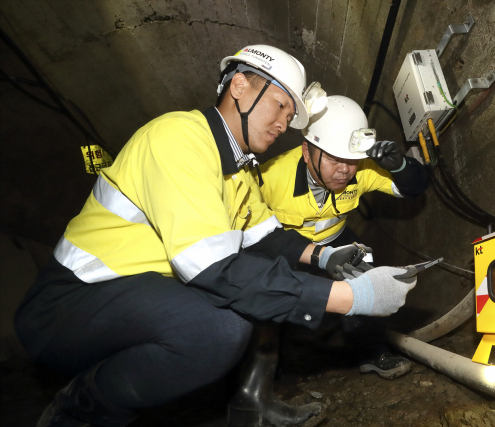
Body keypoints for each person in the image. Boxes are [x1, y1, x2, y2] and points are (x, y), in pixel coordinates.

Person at [14, 45, 418, 427]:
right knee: (219, 328)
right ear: (239, 86)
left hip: (133, 294)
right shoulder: (178, 139)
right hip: (68, 303)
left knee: (243, 299)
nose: (283, 123)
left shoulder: (238, 172)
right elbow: (217, 270)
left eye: (291, 115)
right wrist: (353, 298)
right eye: (280, 105)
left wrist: (324, 257)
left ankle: (248, 402)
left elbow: (265, 238)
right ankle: (79, 410)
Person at [259, 95, 430, 379]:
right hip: (288, 246)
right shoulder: (270, 178)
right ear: (306, 151)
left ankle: (371, 351)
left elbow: (415, 188)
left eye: (351, 159)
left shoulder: (362, 171)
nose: (344, 169)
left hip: (337, 238)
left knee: (365, 271)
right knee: (267, 289)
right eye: (333, 158)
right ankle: (273, 365)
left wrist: (400, 166)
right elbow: (248, 231)